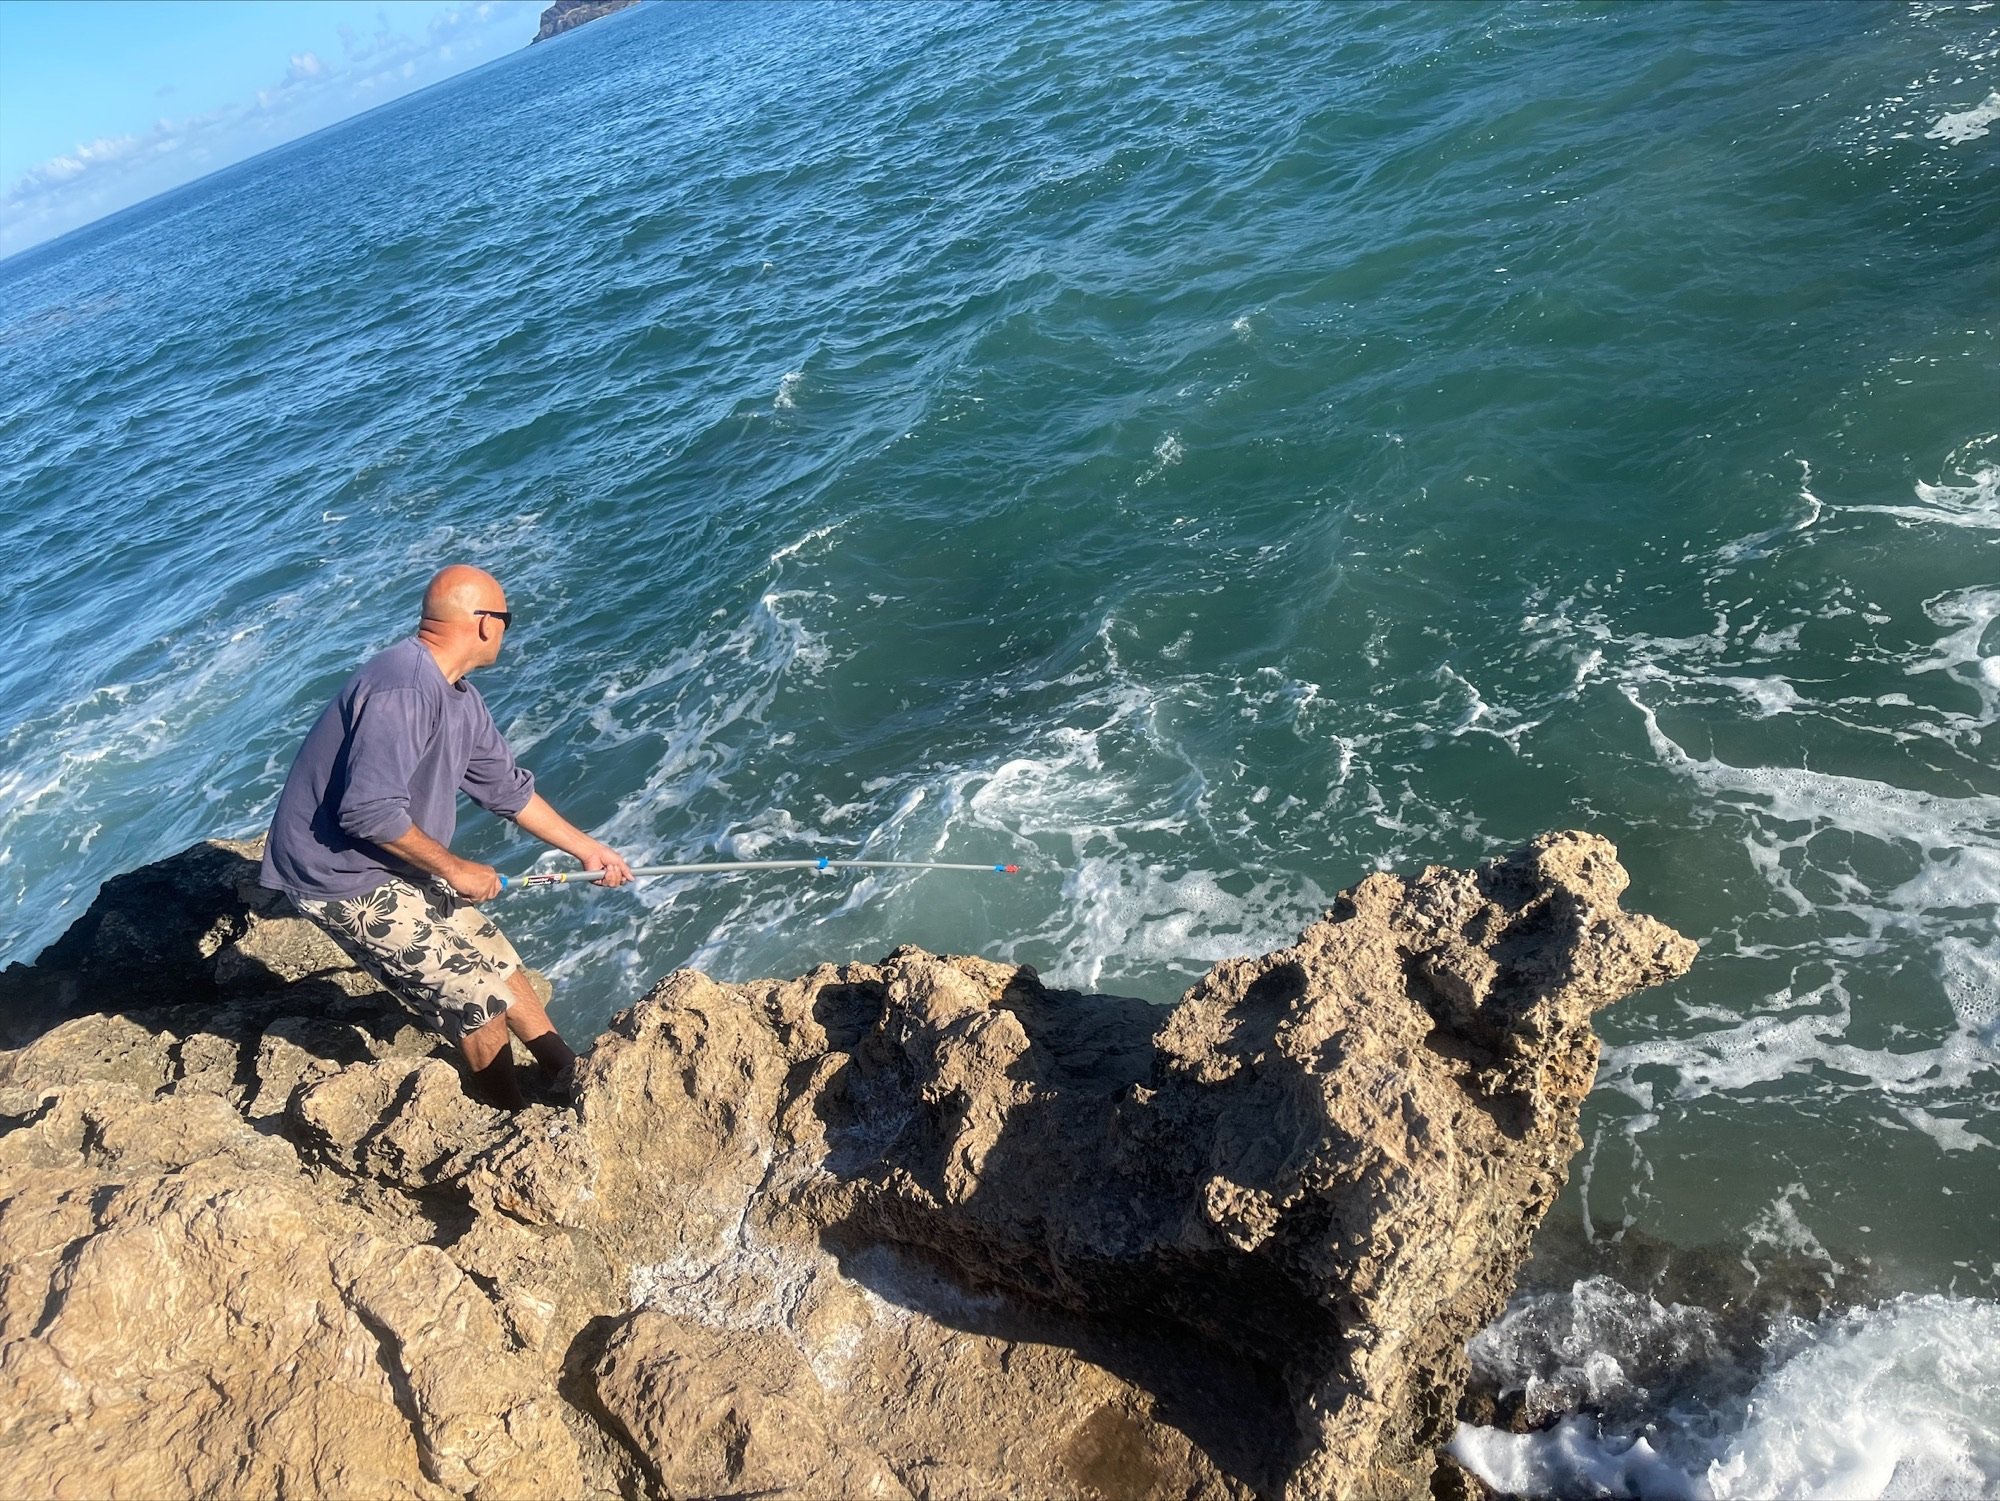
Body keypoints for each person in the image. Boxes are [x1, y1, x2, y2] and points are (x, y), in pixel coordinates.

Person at [261, 564, 633, 1110]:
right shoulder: (405, 688)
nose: (507, 630)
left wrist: (587, 849)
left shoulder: (457, 695)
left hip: (389, 862)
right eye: (507, 618)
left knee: (497, 960)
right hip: (339, 877)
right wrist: (454, 868)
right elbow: (367, 812)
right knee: (477, 998)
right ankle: (509, 1118)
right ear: (485, 624)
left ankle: (565, 1071)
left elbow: (506, 789)